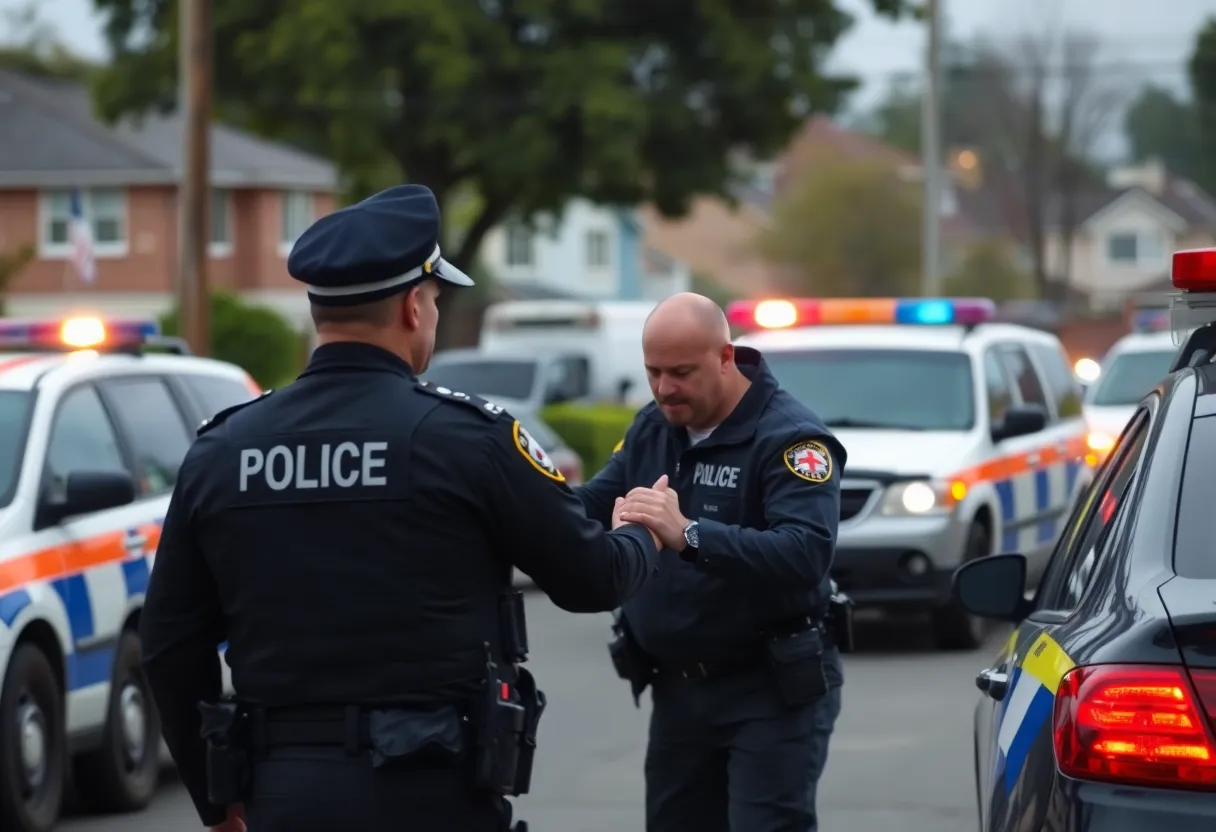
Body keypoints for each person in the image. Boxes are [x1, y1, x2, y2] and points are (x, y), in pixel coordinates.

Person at [138, 184, 662, 832]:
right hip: (431, 789)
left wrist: (217, 800)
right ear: (414, 307)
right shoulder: (467, 437)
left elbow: (168, 643)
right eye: (437, 300)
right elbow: (591, 578)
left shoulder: (223, 448)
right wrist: (644, 530)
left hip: (284, 791)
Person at [579, 293, 848, 832]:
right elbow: (590, 505)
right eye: (653, 371)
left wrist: (690, 535)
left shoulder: (792, 440)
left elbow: (804, 554)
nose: (664, 389)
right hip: (679, 690)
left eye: (681, 372)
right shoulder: (654, 427)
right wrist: (514, 498)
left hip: (769, 690)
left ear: (726, 357)